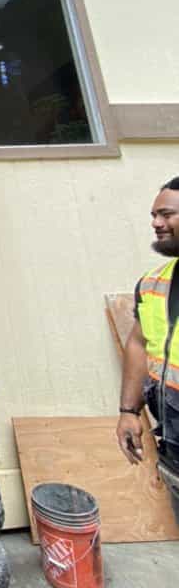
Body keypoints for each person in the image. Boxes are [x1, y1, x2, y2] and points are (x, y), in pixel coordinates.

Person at [116, 176, 179, 521]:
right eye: (154, 215)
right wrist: (128, 411)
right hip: (173, 443)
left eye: (165, 214)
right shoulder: (155, 282)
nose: (156, 223)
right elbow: (139, 343)